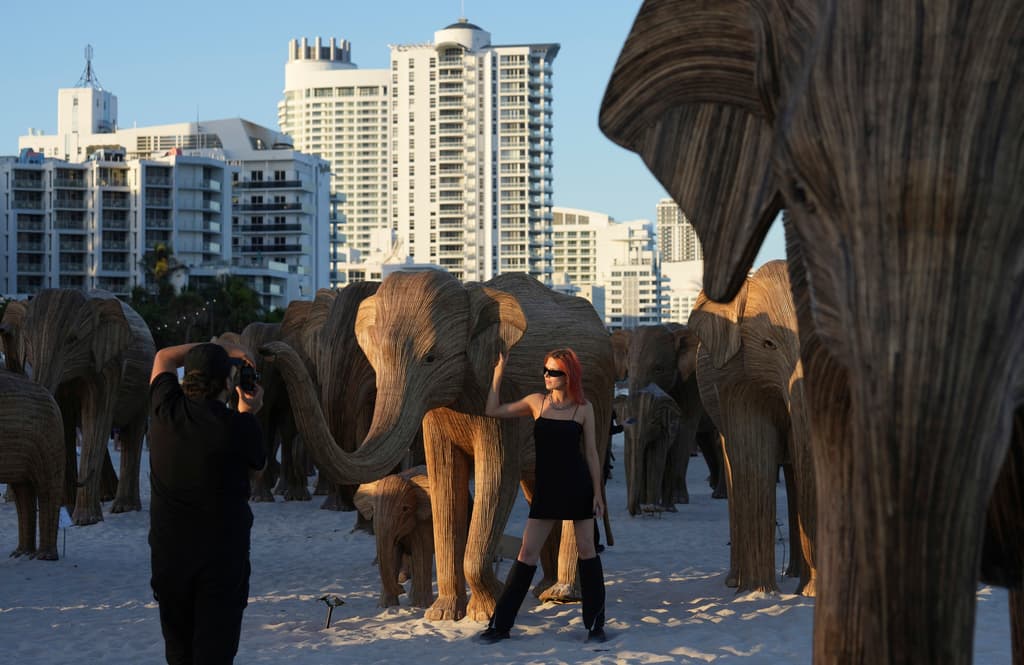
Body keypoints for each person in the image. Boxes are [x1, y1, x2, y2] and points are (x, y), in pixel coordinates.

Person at [148, 341, 266, 665]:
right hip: (222, 565)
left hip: (170, 562)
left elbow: (163, 357)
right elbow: (257, 472)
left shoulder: (164, 411)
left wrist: (218, 346)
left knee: (179, 654)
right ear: (228, 384)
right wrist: (248, 412)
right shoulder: (238, 427)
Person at [479, 348, 608, 644]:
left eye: (554, 372)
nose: (547, 376)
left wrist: (598, 494)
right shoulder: (537, 402)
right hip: (547, 489)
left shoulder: (583, 408)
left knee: (587, 552)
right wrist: (498, 375)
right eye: (546, 371)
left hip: (578, 486)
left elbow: (590, 453)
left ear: (569, 375)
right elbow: (492, 410)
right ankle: (500, 624)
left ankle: (595, 625)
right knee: (526, 553)